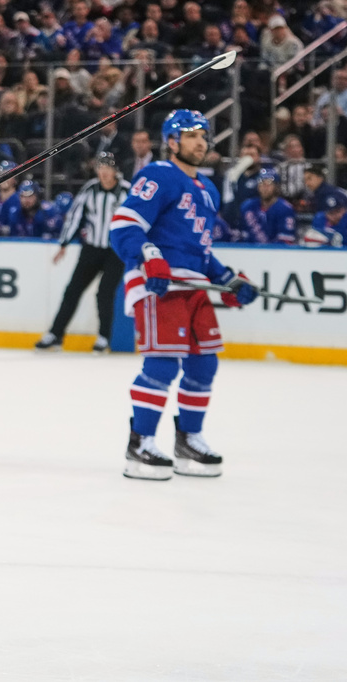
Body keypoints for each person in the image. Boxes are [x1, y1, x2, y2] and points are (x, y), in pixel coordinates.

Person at [109, 110, 259, 481]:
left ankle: (188, 439)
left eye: (203, 136)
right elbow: (124, 226)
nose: (200, 142)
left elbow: (201, 253)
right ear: (172, 141)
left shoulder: (207, 190)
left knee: (204, 364)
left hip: (193, 288)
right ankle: (140, 444)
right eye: (190, 135)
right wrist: (151, 258)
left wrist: (229, 280)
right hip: (160, 285)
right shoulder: (158, 175)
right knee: (162, 364)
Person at [36, 152, 130, 354]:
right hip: (92, 248)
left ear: (115, 170)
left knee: (104, 293)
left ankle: (104, 337)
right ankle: (55, 334)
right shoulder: (90, 189)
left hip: (115, 252)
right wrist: (64, 244)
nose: (103, 172)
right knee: (72, 291)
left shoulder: (126, 191)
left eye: (107, 168)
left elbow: (135, 221)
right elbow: (74, 217)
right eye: (100, 168)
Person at [239, 168, 297, 244]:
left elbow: (286, 241)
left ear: (276, 187)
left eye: (269, 183)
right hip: (251, 252)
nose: (264, 187)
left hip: (276, 253)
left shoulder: (285, 209)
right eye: (261, 183)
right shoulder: (248, 206)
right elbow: (242, 236)